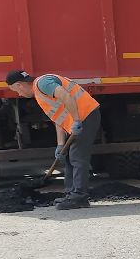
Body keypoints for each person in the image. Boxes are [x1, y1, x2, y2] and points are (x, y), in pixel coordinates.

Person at [6, 70, 100, 210]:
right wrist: (60, 145)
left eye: (16, 90)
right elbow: (58, 117)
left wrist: (76, 120)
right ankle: (71, 194)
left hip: (86, 116)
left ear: (19, 85)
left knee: (77, 157)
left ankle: (80, 197)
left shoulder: (42, 83)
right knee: (68, 156)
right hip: (79, 119)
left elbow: (66, 95)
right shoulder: (40, 94)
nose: (19, 94)